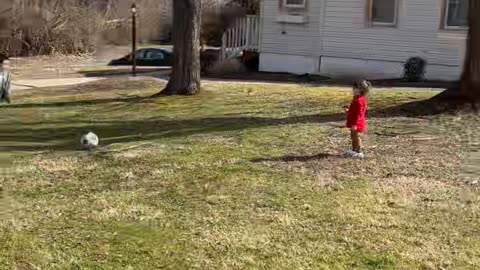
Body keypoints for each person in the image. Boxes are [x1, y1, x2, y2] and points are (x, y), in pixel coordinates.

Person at [344, 80, 371, 159]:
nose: (353, 90)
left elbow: (359, 113)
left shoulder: (359, 101)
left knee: (356, 137)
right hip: (353, 122)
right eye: (353, 88)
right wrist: (349, 111)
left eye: (355, 88)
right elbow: (354, 110)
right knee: (353, 136)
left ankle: (359, 151)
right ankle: (354, 150)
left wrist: (355, 124)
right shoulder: (356, 99)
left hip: (357, 123)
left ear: (361, 90)